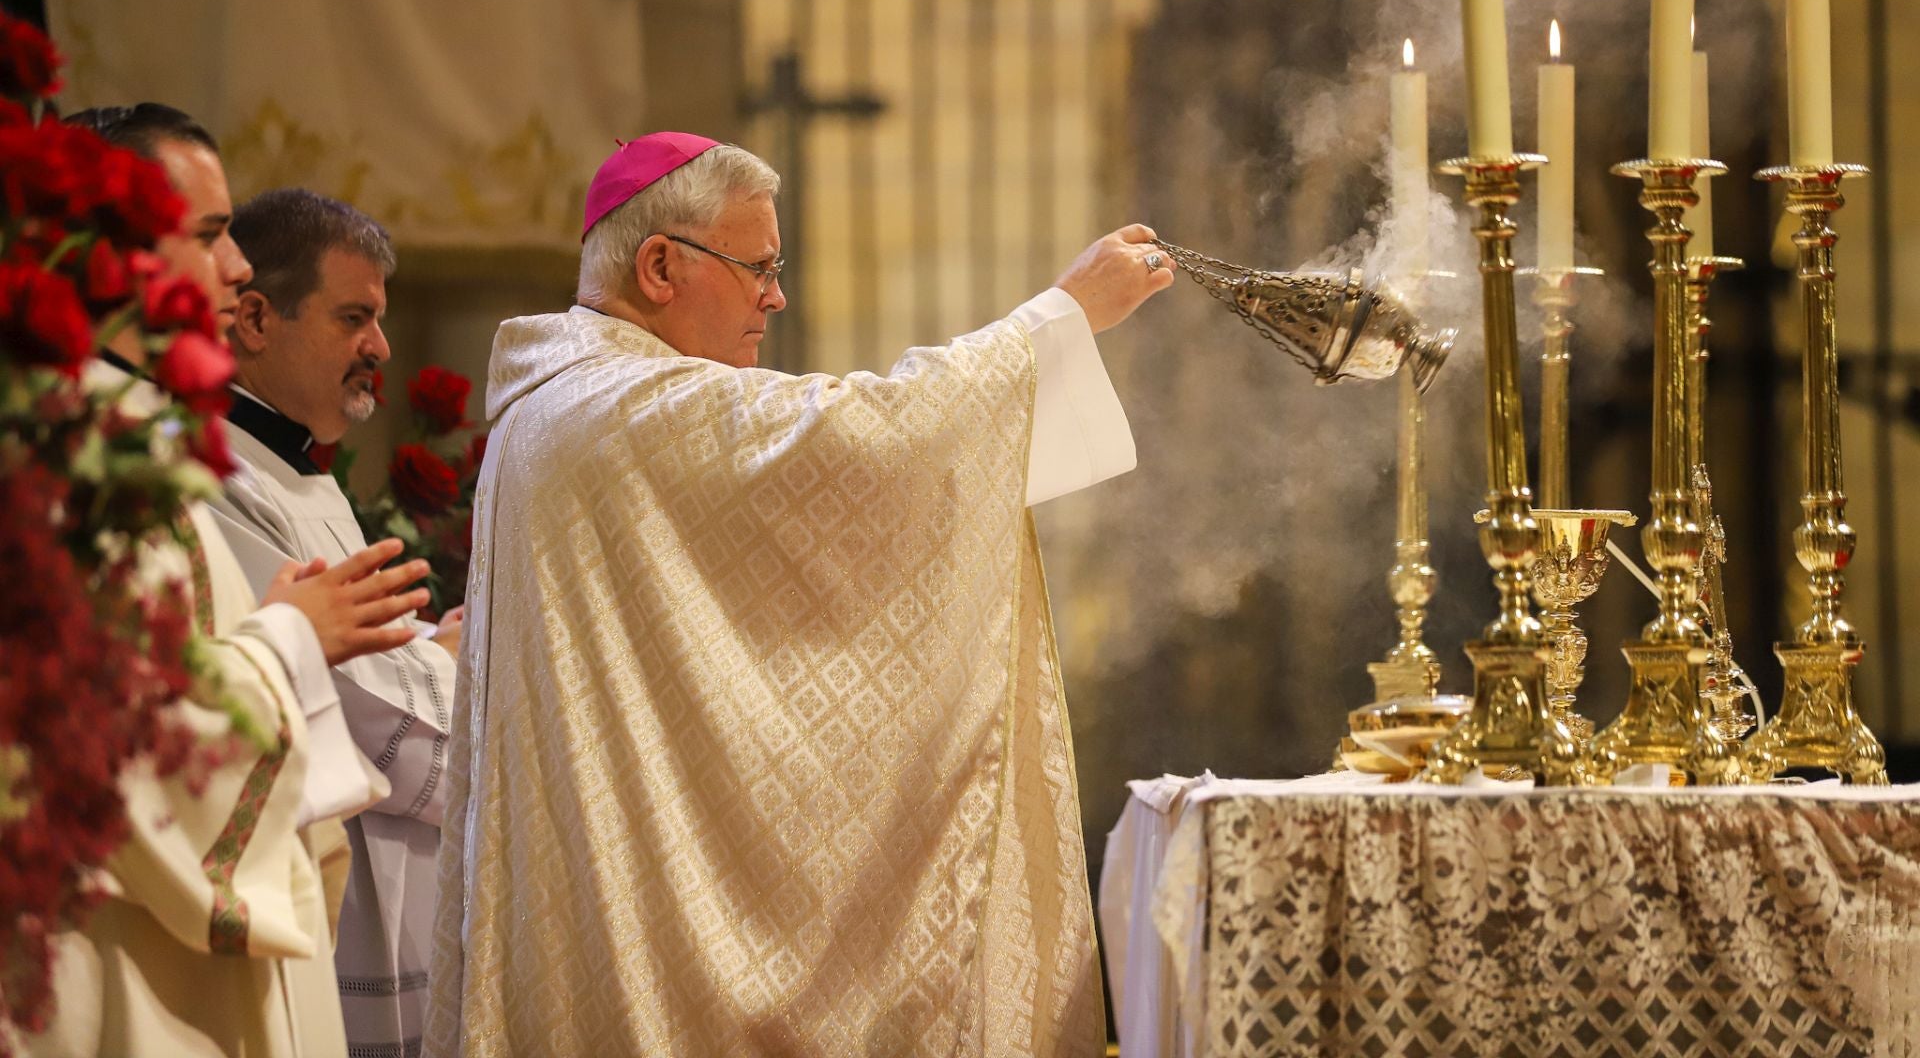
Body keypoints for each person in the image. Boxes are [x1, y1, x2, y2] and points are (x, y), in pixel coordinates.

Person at [425, 132, 1173, 1056]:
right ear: (660, 264)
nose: (776, 296)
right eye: (759, 267)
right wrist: (1061, 318)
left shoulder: (561, 404)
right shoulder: (612, 408)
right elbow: (870, 432)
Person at [31, 105, 430, 1058]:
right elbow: (120, 735)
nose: (239, 267)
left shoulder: (130, 435)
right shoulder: (74, 455)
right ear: (111, 252)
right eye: (209, 236)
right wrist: (297, 635)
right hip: (128, 951)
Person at [205, 187, 460, 1058]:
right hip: (320, 877)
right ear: (254, 319)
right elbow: (343, 694)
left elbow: (360, 641)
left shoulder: (299, 472)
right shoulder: (220, 475)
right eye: (355, 317)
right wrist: (460, 666)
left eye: (381, 320)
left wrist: (432, 644)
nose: (379, 347)